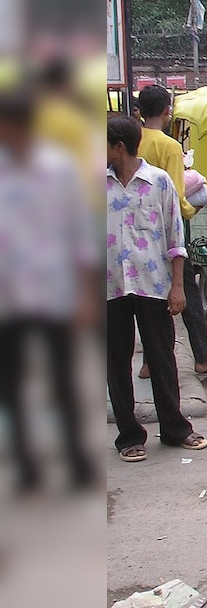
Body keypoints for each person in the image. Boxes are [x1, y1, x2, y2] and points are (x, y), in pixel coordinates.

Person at [0, 94, 97, 490]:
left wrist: (86, 294)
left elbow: (80, 232)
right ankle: (28, 467)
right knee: (13, 386)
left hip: (57, 292)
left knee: (65, 381)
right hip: (11, 296)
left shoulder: (58, 170)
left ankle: (76, 462)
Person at [106, 115, 207, 462]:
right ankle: (129, 435)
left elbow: (175, 238)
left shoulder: (159, 182)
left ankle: (175, 428)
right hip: (110, 288)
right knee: (115, 362)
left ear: (119, 147)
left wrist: (178, 287)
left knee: (162, 359)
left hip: (153, 285)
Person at [134, 85, 207, 381]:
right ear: (167, 111)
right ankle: (202, 359)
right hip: (168, 232)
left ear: (139, 112)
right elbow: (175, 196)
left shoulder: (132, 142)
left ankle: (149, 361)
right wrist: (194, 206)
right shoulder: (168, 146)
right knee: (186, 295)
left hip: (139, 232)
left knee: (149, 297)